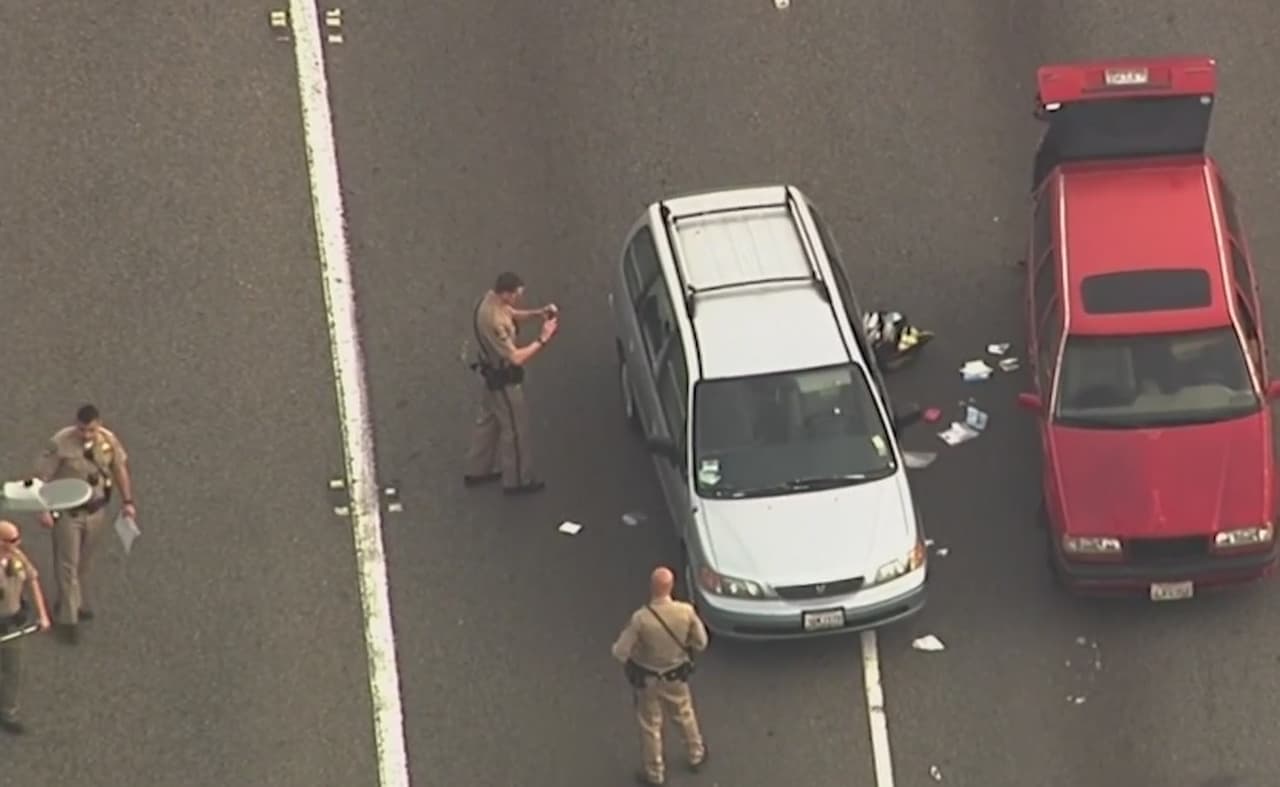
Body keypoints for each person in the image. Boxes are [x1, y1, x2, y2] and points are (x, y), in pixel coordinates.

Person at [34, 404, 136, 643]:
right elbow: (41, 477)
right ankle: (69, 618)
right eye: (81, 429)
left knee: (83, 561)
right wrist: (43, 509)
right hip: (68, 513)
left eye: (90, 430)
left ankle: (71, 599)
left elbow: (119, 469)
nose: (85, 435)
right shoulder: (61, 442)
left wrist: (128, 501)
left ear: (99, 424)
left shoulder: (108, 442)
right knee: (67, 563)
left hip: (96, 511)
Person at [611, 566, 710, 785]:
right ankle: (696, 754)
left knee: (650, 725)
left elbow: (620, 652)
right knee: (684, 714)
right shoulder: (686, 612)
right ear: (671, 586)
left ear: (651, 587)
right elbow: (701, 643)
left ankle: (655, 773)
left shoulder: (641, 619)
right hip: (676, 675)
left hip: (647, 679)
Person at [463, 272, 558, 495]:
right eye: (516, 295)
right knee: (515, 429)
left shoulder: (490, 301)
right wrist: (543, 338)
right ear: (506, 293)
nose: (518, 299)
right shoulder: (494, 321)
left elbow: (512, 314)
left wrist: (538, 314)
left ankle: (478, 469)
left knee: (488, 422)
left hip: (489, 373)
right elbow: (515, 357)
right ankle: (517, 480)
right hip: (503, 379)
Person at [0, 520, 52, 734]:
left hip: (13, 626)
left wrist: (43, 615)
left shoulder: (18, 558)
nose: (18, 543)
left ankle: (7, 712)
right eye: (12, 540)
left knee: (13, 671)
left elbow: (33, 580)